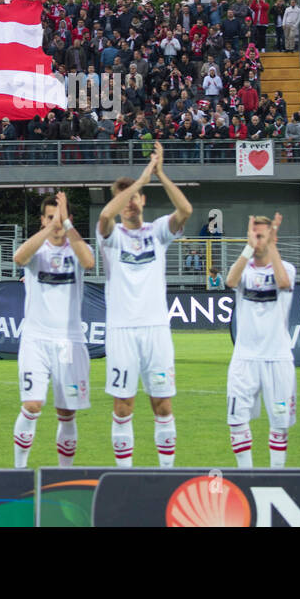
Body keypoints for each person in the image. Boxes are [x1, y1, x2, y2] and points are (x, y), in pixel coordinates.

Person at [96, 142, 193, 466]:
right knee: (123, 405)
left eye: (136, 197)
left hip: (156, 329)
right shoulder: (111, 237)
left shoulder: (157, 232)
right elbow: (107, 214)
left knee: (162, 405)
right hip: (121, 329)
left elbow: (185, 211)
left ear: (143, 200)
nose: (130, 204)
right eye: (126, 199)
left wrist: (160, 174)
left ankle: (166, 473)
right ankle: (125, 475)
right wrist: (139, 179)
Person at [10, 192, 94, 468]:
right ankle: (19, 469)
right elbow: (18, 258)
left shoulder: (77, 248)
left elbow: (89, 263)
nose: (55, 222)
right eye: (49, 217)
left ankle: (63, 473)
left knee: (66, 412)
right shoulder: (37, 251)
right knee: (32, 405)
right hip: (36, 341)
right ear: (42, 220)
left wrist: (65, 223)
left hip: (69, 343)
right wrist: (50, 227)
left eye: (59, 216)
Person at [225, 213, 296, 467]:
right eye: (253, 233)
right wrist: (248, 246)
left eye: (262, 234)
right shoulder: (243, 269)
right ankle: (246, 474)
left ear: (272, 237)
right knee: (236, 419)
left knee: (279, 423)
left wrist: (271, 243)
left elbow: (284, 283)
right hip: (245, 357)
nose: (257, 239)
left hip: (277, 358)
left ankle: (276, 476)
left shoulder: (286, 268)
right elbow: (230, 281)